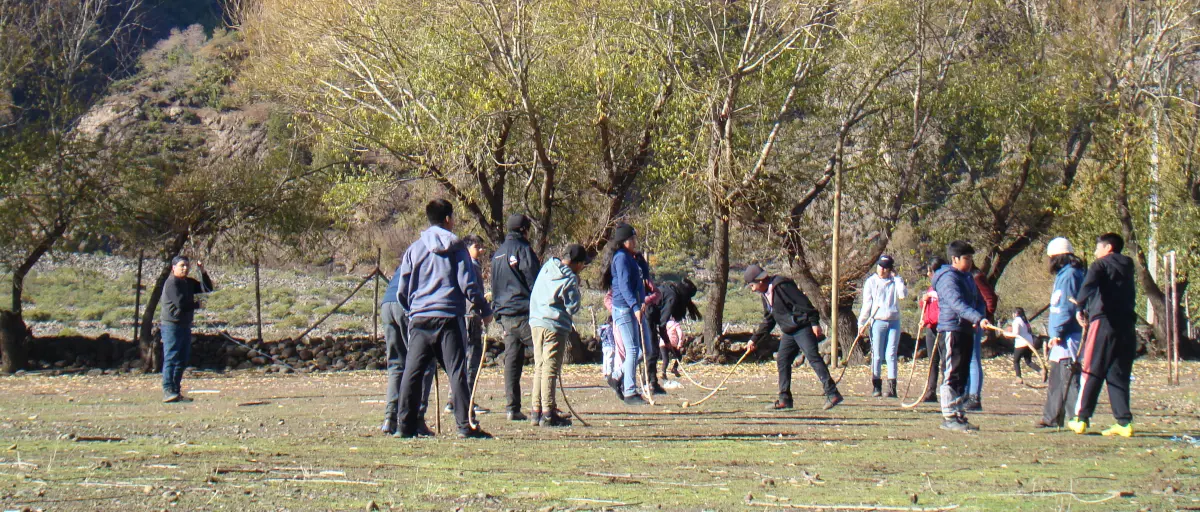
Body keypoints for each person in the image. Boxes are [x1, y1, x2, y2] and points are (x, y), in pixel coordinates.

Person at [395, 199, 494, 439]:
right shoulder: (457, 248)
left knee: (412, 372)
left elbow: (403, 289)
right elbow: (468, 284)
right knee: (457, 371)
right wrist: (483, 309)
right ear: (448, 219)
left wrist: (414, 309)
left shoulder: (414, 249)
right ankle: (464, 426)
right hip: (449, 317)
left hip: (420, 317)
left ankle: (404, 427)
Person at [744, 264, 843, 411]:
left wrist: (814, 323)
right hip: (789, 332)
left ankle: (832, 393)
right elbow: (769, 320)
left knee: (813, 357)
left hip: (802, 327)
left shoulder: (782, 286)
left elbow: (804, 304)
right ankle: (785, 399)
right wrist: (754, 339)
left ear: (760, 281)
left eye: (752, 285)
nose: (752, 289)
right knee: (782, 359)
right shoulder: (765, 295)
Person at [1067, 233, 1138, 437]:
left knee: (1092, 369)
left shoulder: (1100, 265)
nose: (1096, 251)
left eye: (1098, 247)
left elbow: (1088, 286)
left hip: (1104, 323)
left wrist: (1079, 306)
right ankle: (1124, 423)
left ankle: (1081, 418)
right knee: (1118, 373)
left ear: (1108, 248)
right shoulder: (1128, 265)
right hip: (1126, 326)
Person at [527, 244, 591, 427]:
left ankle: (536, 410)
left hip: (536, 321)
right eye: (582, 264)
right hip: (554, 325)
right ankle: (548, 413)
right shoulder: (570, 278)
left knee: (539, 365)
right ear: (577, 263)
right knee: (550, 368)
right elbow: (573, 306)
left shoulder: (548, 266)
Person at [932, 241, 993, 432]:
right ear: (955, 259)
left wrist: (981, 319)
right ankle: (949, 415)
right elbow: (956, 303)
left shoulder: (967, 277)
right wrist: (976, 317)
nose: (969, 262)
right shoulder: (947, 278)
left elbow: (977, 301)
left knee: (963, 374)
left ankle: (959, 413)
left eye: (970, 258)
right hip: (952, 329)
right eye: (966, 258)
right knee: (952, 372)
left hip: (967, 329)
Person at [490, 214, 541, 421]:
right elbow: (535, 281)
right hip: (524, 312)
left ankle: (512, 408)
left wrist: (498, 315)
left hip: (505, 316)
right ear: (523, 230)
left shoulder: (498, 254)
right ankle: (542, 407)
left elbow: (493, 286)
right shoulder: (523, 249)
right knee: (543, 357)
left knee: (512, 361)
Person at [380, 256, 435, 437]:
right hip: (405, 305)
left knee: (397, 364)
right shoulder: (431, 258)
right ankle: (417, 417)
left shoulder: (412, 256)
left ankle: (390, 418)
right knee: (423, 363)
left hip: (387, 304)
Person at [603, 222, 653, 405]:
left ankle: (616, 376)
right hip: (624, 309)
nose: (635, 241)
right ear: (624, 241)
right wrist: (634, 306)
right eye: (632, 238)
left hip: (637, 307)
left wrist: (641, 261)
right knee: (633, 350)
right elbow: (624, 286)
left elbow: (643, 279)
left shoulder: (632, 257)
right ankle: (630, 391)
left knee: (644, 349)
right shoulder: (621, 258)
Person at [1036, 237, 1084, 428]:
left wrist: (1058, 333)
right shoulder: (1064, 275)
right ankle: (1052, 417)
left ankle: (1076, 418)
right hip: (1060, 335)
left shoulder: (1071, 275)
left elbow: (1065, 306)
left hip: (1069, 335)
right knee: (1056, 378)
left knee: (1069, 377)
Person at [444, 235, 490, 416]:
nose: (480, 250)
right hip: (470, 316)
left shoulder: (461, 264)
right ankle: (466, 398)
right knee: (471, 358)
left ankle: (453, 398)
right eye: (477, 246)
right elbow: (472, 290)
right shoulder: (469, 265)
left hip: (463, 315)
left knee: (461, 358)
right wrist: (483, 310)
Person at [159, 255, 214, 403]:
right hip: (171, 325)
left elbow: (207, 288)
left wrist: (202, 272)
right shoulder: (171, 283)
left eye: (187, 266)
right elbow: (181, 304)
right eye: (182, 265)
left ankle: (176, 391)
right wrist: (198, 305)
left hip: (184, 325)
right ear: (173, 267)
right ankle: (168, 390)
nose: (185, 268)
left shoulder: (188, 282)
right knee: (171, 357)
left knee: (182, 359)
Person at [858, 255, 907, 398]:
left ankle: (892, 388)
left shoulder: (894, 281)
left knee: (891, 354)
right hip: (877, 321)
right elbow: (867, 304)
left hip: (893, 321)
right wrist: (862, 323)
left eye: (886, 267)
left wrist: (897, 278)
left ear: (890, 269)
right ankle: (876, 386)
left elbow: (903, 294)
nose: (882, 269)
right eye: (880, 266)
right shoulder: (871, 282)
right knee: (877, 355)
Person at [652, 278, 702, 380]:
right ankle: (651, 381)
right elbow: (662, 324)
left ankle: (653, 381)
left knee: (652, 353)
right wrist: (667, 341)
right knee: (651, 354)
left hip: (652, 324)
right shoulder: (672, 297)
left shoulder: (669, 291)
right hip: (647, 318)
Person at [966, 268, 997, 411]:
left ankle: (974, 397)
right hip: (965, 322)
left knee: (973, 359)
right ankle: (966, 394)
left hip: (975, 323)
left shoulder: (976, 277)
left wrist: (983, 317)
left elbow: (990, 298)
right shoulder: (963, 277)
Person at [917, 257, 946, 403]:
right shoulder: (930, 289)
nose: (929, 275)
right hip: (931, 329)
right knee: (932, 361)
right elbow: (928, 308)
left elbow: (942, 309)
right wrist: (924, 302)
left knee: (945, 361)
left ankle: (947, 391)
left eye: (930, 272)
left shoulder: (945, 287)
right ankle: (930, 391)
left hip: (942, 329)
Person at [998, 308, 1041, 381]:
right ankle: (1041, 370)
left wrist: (1006, 334)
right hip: (1029, 342)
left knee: (1016, 361)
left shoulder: (1016, 321)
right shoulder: (1024, 321)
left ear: (1016, 314)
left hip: (1021, 343)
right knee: (1028, 361)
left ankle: (1018, 377)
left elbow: (1016, 334)